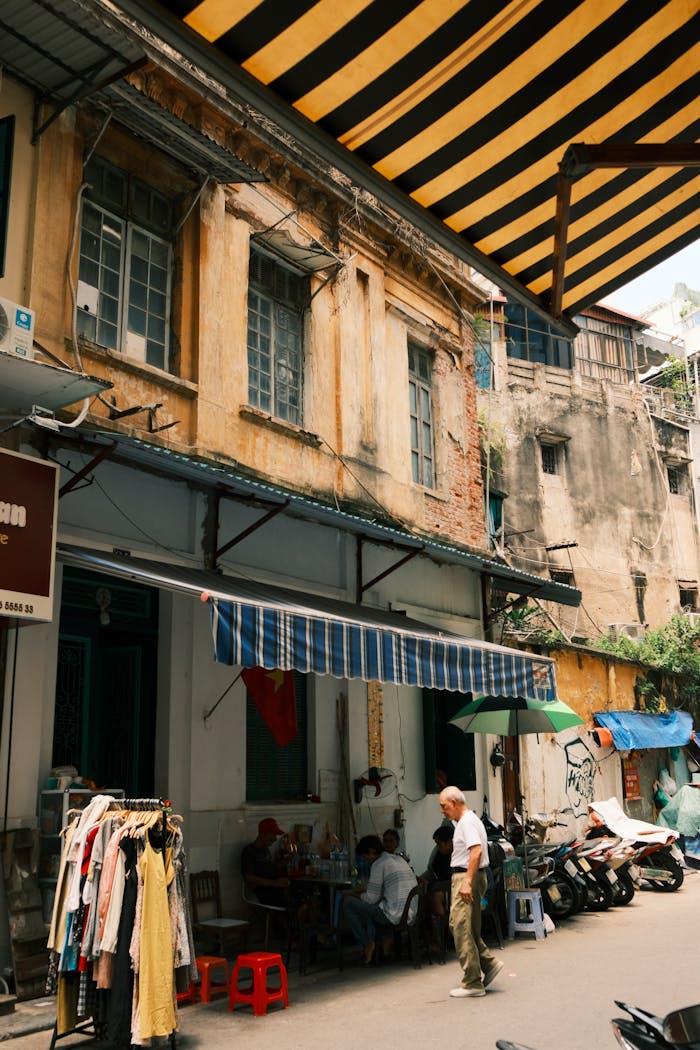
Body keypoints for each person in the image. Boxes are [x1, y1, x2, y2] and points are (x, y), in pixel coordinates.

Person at [438, 786, 503, 998]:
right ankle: (488, 963)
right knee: (467, 926)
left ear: (454, 803)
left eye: (443, 806)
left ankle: (472, 981)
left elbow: (475, 851)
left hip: (467, 877)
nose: (442, 810)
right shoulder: (468, 821)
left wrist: (467, 882)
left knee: (460, 927)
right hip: (471, 876)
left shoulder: (466, 822)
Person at [342, 834, 417, 964]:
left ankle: (366, 944)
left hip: (395, 915)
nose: (365, 860)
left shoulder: (378, 864)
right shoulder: (398, 859)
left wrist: (353, 894)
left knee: (348, 902)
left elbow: (370, 899)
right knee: (377, 905)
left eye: (365, 857)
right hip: (411, 912)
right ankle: (385, 945)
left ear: (371, 852)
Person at [241, 817, 290, 907]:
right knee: (291, 899)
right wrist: (274, 883)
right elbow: (249, 877)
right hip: (265, 890)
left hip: (274, 886)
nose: (275, 839)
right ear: (263, 834)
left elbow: (270, 867)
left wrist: (283, 863)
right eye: (273, 835)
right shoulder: (249, 852)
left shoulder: (266, 850)